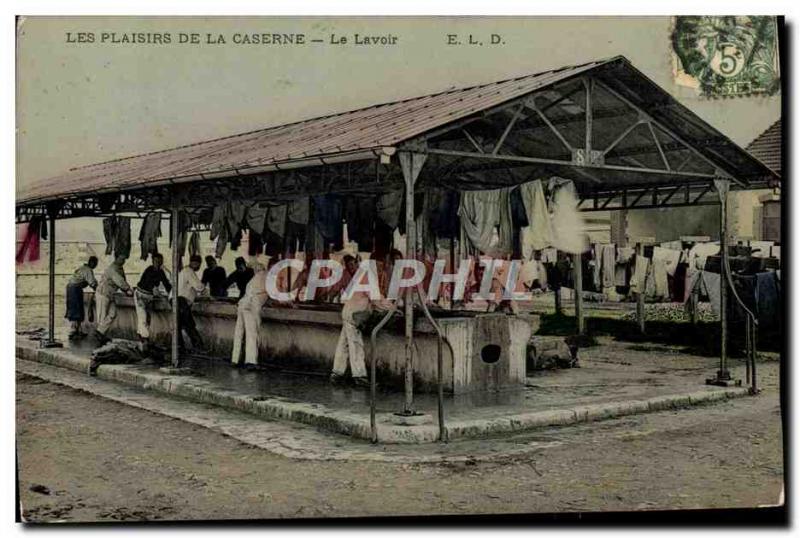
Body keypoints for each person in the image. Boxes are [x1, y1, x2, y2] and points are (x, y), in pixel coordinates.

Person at [331, 251, 398, 387]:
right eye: (380, 264)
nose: (382, 267)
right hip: (355, 313)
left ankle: (337, 373)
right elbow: (376, 299)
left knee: (344, 344)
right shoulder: (369, 275)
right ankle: (359, 376)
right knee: (356, 344)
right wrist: (393, 307)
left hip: (349, 311)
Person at [231, 262, 268, 369]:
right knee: (252, 333)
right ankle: (251, 362)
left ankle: (235, 359)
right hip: (252, 306)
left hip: (242, 304)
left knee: (238, 332)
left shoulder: (253, 279)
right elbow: (272, 293)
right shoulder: (267, 276)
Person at [134, 253, 172, 348]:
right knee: (142, 316)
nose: (158, 263)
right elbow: (150, 285)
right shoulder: (149, 270)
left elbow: (166, 284)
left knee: (147, 318)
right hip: (140, 295)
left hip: (148, 297)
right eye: (156, 261)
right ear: (153, 262)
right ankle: (145, 339)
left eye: (160, 262)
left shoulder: (161, 272)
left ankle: (141, 337)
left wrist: (172, 294)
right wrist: (161, 295)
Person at [95, 254, 133, 344]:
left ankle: (100, 332)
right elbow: (120, 281)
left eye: (124, 259)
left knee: (113, 313)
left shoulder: (120, 268)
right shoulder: (113, 268)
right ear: (116, 258)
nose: (124, 261)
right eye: (122, 259)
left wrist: (126, 289)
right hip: (103, 293)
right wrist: (127, 289)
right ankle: (100, 335)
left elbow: (123, 280)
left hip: (110, 294)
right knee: (102, 316)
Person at [65, 256, 98, 339]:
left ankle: (78, 329)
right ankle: (73, 330)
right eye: (95, 264)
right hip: (75, 288)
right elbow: (92, 283)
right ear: (92, 263)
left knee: (77, 308)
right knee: (76, 308)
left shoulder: (82, 268)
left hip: (71, 288)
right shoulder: (88, 270)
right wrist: (97, 290)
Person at [177, 255, 206, 350]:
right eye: (199, 264)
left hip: (177, 300)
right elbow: (199, 286)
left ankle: (180, 347)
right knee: (189, 324)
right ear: (195, 263)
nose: (199, 266)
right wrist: (206, 291)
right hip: (181, 301)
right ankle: (199, 347)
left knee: (179, 325)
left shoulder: (184, 271)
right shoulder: (189, 271)